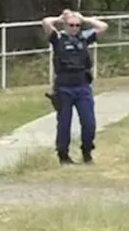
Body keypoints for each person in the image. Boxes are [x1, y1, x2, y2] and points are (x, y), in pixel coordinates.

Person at [42, 9, 109, 165]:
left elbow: (103, 27)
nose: (74, 28)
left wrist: (85, 19)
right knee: (64, 123)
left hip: (82, 86)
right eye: (71, 25)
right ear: (65, 25)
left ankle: (87, 151)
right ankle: (63, 155)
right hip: (64, 87)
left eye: (77, 25)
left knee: (89, 123)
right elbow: (46, 22)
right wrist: (60, 18)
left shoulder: (84, 38)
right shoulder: (57, 38)